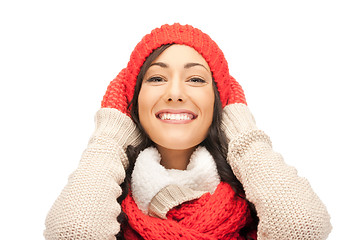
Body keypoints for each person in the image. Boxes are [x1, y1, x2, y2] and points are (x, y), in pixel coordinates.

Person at [44, 23, 332, 239]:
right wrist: (109, 138)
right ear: (135, 102)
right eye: (156, 78)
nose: (175, 93)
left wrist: (241, 131)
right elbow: (74, 231)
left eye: (195, 79)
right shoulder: (105, 207)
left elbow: (302, 227)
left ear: (220, 103)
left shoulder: (257, 208)